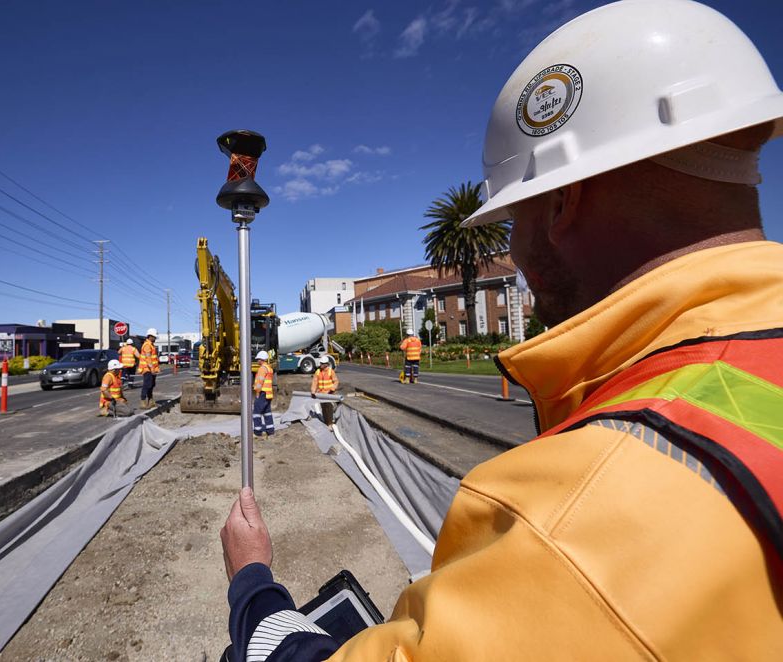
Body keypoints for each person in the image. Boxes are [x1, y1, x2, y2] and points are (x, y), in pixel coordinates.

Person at [219, 1, 783, 659]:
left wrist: (255, 590)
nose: (511, 247)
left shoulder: (574, 521)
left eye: (514, 218)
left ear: (561, 202)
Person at [252, 350, 275, 437]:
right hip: (268, 394)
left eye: (258, 359)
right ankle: (270, 431)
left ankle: (257, 432)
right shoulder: (269, 368)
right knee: (267, 412)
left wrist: (257, 393)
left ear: (261, 359)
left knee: (256, 412)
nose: (257, 361)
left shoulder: (262, 369)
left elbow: (259, 382)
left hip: (262, 393)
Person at [138, 328, 160, 409]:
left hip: (151, 369)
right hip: (147, 369)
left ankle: (151, 401)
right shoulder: (147, 345)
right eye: (154, 337)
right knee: (147, 385)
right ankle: (143, 401)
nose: (155, 339)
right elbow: (148, 358)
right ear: (150, 336)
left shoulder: (151, 344)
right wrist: (151, 368)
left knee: (151, 385)